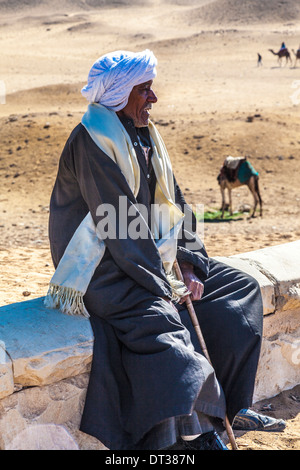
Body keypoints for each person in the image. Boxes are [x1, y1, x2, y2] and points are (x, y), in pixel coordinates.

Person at [45, 49, 285, 450]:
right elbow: (118, 224)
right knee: (165, 329)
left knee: (237, 292)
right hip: (105, 270)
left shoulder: (145, 134)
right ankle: (198, 436)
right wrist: (165, 284)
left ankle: (229, 405)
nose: (153, 99)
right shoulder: (92, 141)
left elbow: (176, 201)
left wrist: (189, 266)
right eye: (145, 90)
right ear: (120, 95)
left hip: (150, 258)